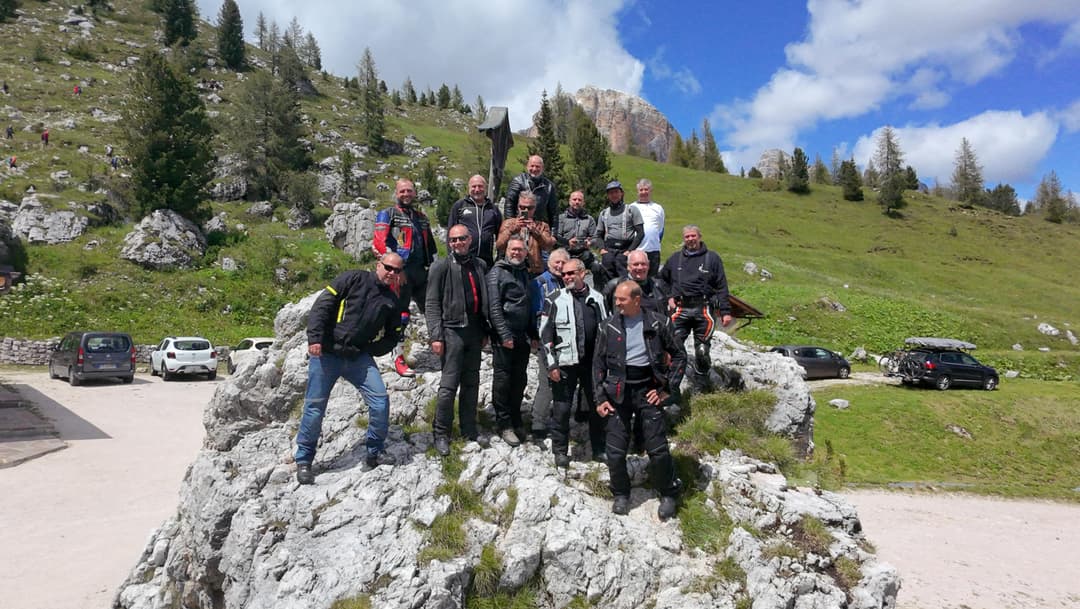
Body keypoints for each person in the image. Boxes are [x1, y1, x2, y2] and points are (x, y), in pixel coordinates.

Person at [294, 253, 405, 484]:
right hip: (326, 354)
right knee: (315, 408)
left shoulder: (392, 300)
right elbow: (322, 305)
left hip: (358, 358)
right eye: (388, 268)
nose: (392, 273)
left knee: (380, 400)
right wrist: (314, 338)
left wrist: (370, 350)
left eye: (397, 270)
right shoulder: (353, 278)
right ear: (378, 265)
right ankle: (304, 460)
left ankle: (374, 451)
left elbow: (393, 335)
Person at [594, 281, 686, 519]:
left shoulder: (659, 323)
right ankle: (621, 494)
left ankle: (668, 492)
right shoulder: (608, 326)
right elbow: (598, 365)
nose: (616, 303)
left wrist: (668, 389)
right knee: (614, 451)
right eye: (615, 299)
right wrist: (599, 398)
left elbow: (679, 355)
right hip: (617, 393)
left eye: (621, 299)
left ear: (636, 300)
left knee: (658, 449)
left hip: (647, 390)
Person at [426, 225, 490, 456]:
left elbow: (483, 299)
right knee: (448, 386)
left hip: (474, 331)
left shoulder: (480, 265)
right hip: (452, 331)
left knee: (472, 383)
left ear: (470, 239)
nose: (457, 243)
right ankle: (441, 433)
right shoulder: (441, 266)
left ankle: (469, 428)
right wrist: (436, 335)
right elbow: (431, 303)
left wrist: (485, 331)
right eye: (453, 240)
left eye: (462, 238)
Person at [540, 258, 608, 466]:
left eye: (571, 273)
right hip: (565, 363)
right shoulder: (554, 299)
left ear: (583, 273)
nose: (567, 277)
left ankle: (599, 448)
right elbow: (544, 334)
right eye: (564, 274)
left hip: (592, 364)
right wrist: (551, 365)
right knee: (561, 409)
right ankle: (560, 451)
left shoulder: (598, 298)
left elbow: (606, 330)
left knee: (598, 406)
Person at [373, 179, 438, 377]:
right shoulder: (388, 214)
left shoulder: (421, 217)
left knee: (434, 309)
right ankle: (397, 355)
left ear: (415, 193)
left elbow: (432, 246)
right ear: (396, 193)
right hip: (401, 273)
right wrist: (395, 269)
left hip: (422, 271)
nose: (406, 194)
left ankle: (441, 347)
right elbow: (380, 241)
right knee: (400, 315)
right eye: (402, 191)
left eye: (409, 191)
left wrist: (437, 269)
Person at [659, 225, 733, 387]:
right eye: (687, 237)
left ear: (699, 237)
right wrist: (669, 297)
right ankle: (669, 386)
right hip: (681, 309)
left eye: (693, 236)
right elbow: (662, 280)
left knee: (702, 351)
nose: (690, 239)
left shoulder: (712, 258)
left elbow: (722, 286)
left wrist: (726, 312)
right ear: (683, 239)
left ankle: (702, 382)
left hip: (704, 310)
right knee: (672, 348)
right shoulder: (674, 259)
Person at [486, 237, 538, 447]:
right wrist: (503, 334)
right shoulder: (496, 273)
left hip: (522, 335)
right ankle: (503, 423)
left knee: (520, 379)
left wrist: (533, 334)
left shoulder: (524, 273)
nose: (517, 253)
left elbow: (528, 306)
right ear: (506, 251)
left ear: (526, 253)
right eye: (513, 249)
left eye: (521, 250)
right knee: (503, 381)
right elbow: (494, 307)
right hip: (504, 336)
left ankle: (516, 418)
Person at [529, 248, 569, 440]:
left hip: (567, 340)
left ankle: (561, 417)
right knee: (546, 380)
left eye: (563, 263)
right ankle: (538, 420)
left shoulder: (569, 282)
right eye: (556, 262)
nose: (560, 266)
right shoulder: (539, 284)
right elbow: (535, 314)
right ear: (548, 263)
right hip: (547, 340)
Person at [495, 191, 555, 276]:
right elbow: (499, 246)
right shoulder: (508, 223)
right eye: (522, 207)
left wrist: (536, 233)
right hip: (512, 268)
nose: (525, 210)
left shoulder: (542, 226)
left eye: (529, 208)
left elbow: (548, 247)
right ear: (518, 207)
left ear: (535, 208)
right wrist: (513, 229)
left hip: (533, 270)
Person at [447, 174, 502, 268]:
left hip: (487, 261)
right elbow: (450, 233)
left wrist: (500, 258)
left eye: (480, 186)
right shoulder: (460, 206)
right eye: (474, 186)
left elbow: (500, 235)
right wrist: (451, 257)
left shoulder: (493, 209)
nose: (477, 190)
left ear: (485, 188)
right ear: (469, 188)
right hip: (463, 260)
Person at [594, 181, 643, 281]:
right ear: (608, 196)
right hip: (609, 251)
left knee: (625, 280)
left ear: (622, 193)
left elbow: (641, 233)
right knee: (607, 281)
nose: (614, 195)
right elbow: (598, 235)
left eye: (616, 192)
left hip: (625, 250)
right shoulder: (604, 213)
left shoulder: (631, 210)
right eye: (611, 193)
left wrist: (629, 251)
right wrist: (602, 250)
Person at [554, 190, 604, 284]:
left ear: (583, 203)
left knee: (597, 266)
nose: (577, 202)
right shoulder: (561, 218)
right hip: (565, 252)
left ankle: (598, 292)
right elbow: (556, 236)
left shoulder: (589, 219)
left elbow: (595, 237)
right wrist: (567, 242)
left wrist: (590, 243)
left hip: (583, 252)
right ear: (569, 201)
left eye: (579, 200)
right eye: (574, 199)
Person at [602, 249, 670, 315]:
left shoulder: (659, 286)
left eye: (643, 264)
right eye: (636, 264)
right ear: (628, 266)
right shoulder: (615, 286)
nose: (640, 268)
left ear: (648, 265)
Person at [504, 154, 559, 235]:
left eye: (537, 166)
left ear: (542, 168)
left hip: (538, 228)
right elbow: (509, 205)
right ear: (527, 166)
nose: (534, 169)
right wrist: (512, 226)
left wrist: (554, 235)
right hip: (519, 226)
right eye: (532, 166)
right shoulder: (518, 182)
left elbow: (553, 213)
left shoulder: (549, 186)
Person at [631, 179, 665, 277]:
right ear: (637, 192)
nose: (644, 192)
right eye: (641, 190)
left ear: (650, 191)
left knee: (653, 280)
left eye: (646, 189)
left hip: (653, 250)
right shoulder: (631, 207)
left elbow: (660, 229)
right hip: (637, 250)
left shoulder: (658, 208)